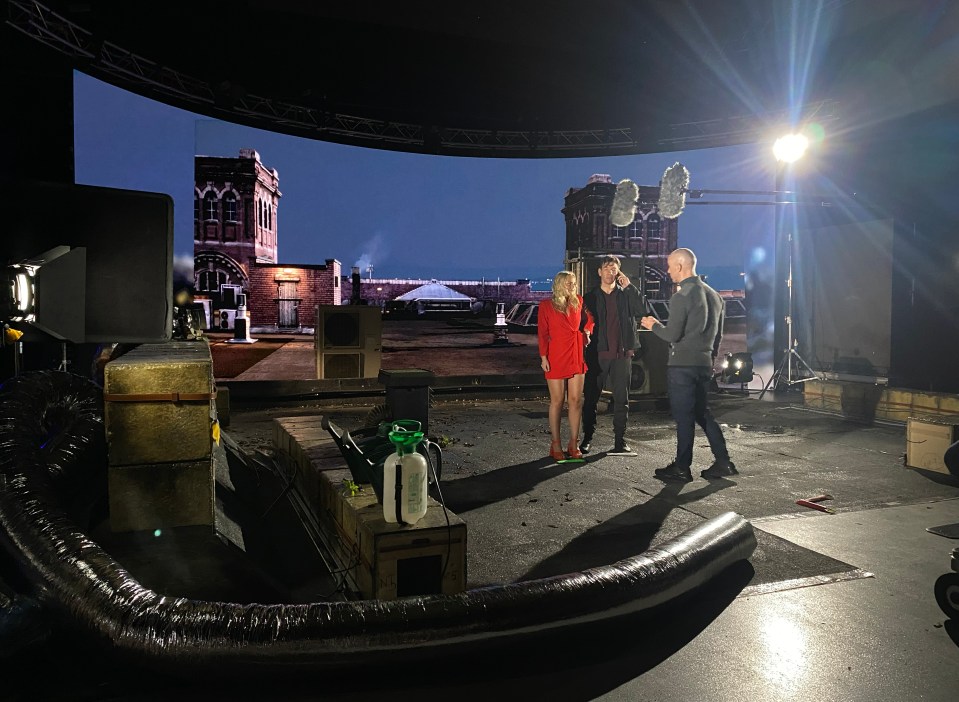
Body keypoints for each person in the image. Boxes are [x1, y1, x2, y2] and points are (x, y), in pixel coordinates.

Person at [640, 248, 736, 482]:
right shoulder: (715, 296)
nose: (668, 270)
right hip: (703, 364)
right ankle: (723, 462)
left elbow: (672, 334)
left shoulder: (681, 296)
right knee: (703, 414)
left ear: (681, 266)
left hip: (682, 366)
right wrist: (709, 360)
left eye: (670, 266)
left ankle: (682, 467)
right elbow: (718, 336)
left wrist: (653, 324)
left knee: (684, 418)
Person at [579, 254, 646, 456]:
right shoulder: (590, 297)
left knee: (621, 399)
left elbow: (642, 310)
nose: (611, 271)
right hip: (598, 354)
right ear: (600, 272)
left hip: (622, 354)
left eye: (614, 268)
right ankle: (588, 438)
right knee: (591, 397)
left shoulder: (626, 295)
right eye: (607, 267)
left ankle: (620, 440)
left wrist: (630, 287)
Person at [538, 271, 594, 461]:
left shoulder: (578, 301)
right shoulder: (546, 305)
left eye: (574, 283)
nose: (572, 286)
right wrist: (543, 356)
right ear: (559, 284)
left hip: (576, 352)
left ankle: (573, 442)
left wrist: (586, 330)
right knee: (557, 401)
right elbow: (543, 333)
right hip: (556, 354)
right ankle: (555, 443)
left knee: (576, 400)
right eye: (568, 283)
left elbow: (590, 320)